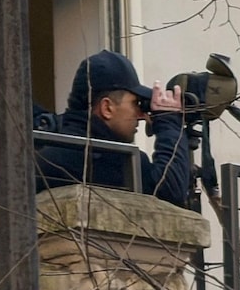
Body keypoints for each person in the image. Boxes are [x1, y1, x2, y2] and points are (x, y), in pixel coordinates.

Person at [35, 50, 192, 207]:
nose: (141, 115)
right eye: (135, 103)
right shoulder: (118, 162)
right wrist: (169, 123)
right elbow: (170, 193)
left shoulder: (49, 152)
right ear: (107, 108)